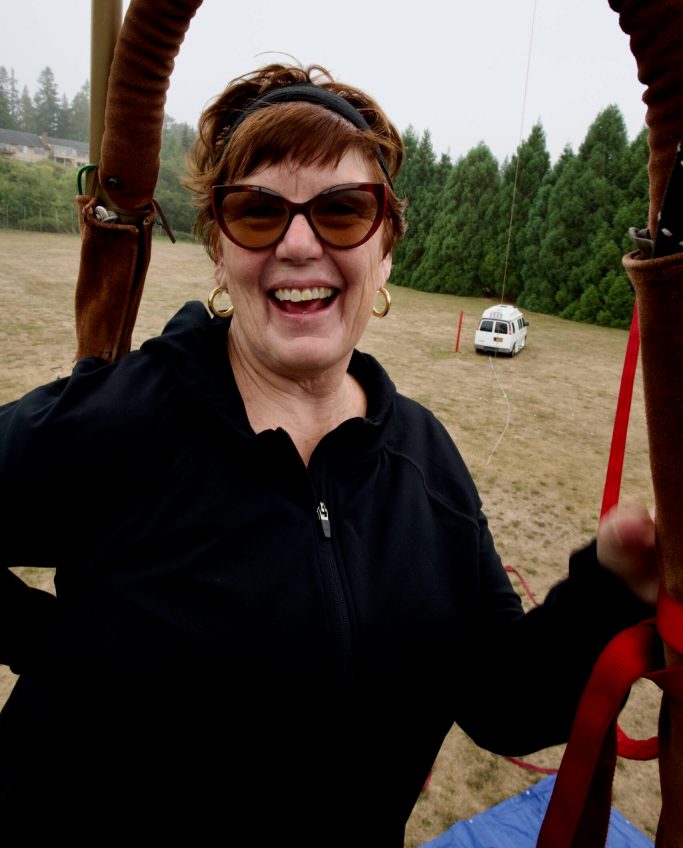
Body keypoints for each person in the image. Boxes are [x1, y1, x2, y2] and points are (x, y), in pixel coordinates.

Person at [0, 63, 656, 844]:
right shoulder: (127, 418)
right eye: (257, 211)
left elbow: (503, 703)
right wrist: (55, 648)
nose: (299, 243)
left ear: (385, 250)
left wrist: (609, 585)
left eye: (343, 211)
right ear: (218, 247)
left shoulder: (423, 459)